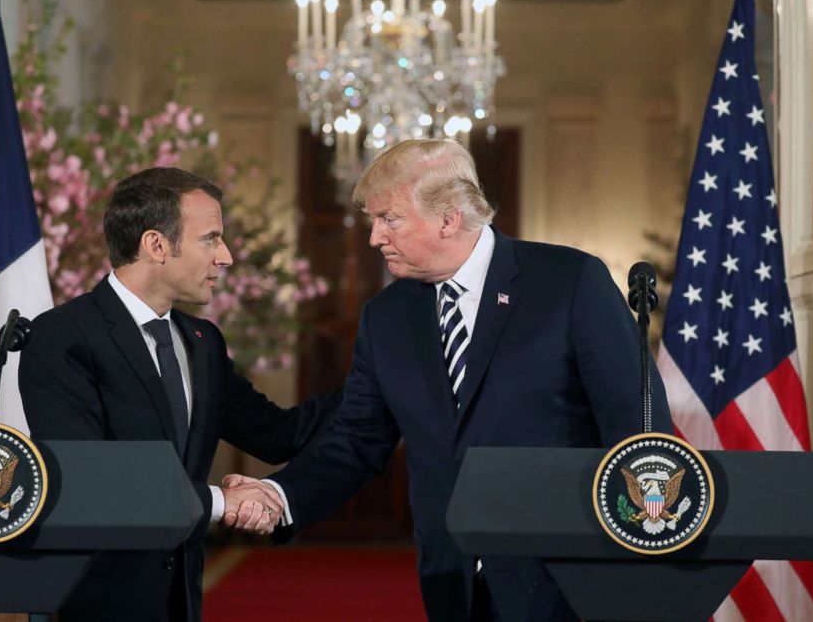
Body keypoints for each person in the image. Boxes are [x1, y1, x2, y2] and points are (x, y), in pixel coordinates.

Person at [226, 139, 672, 621]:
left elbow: (636, 426)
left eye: (389, 218)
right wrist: (279, 494)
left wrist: (639, 554)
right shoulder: (386, 317)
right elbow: (356, 439)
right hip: (451, 576)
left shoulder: (569, 282)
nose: (375, 237)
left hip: (568, 574)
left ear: (449, 217)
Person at [18, 166, 339, 621]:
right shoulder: (63, 337)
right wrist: (222, 502)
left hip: (182, 600)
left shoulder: (202, 343)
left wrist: (380, 384)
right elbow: (90, 481)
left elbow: (280, 434)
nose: (225, 256)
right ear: (156, 245)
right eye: (211, 238)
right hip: (99, 603)